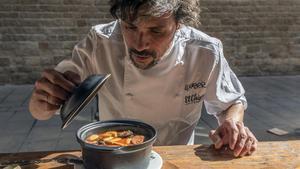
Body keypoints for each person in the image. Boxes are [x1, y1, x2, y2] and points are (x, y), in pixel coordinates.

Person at [29, 0, 257, 157]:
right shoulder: (100, 42)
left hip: (176, 157)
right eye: (130, 27)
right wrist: (42, 103)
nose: (140, 44)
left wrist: (233, 123)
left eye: (156, 31)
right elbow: (46, 107)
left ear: (179, 25)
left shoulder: (204, 50)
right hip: (114, 156)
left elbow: (231, 102)